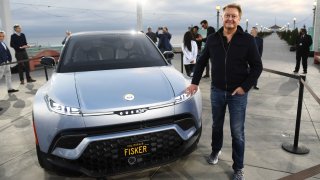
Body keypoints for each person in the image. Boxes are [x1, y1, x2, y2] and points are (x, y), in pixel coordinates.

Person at [185, 4, 262, 180]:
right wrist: (194, 83)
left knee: (237, 132)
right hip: (217, 91)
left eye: (234, 16)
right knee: (216, 125)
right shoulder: (212, 39)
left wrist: (245, 87)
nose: (230, 19)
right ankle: (215, 150)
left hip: (238, 94)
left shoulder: (247, 40)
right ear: (222, 18)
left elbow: (257, 66)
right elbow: (202, 61)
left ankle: (238, 168)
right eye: (227, 15)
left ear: (239, 19)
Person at [0, 31, 19, 95]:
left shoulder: (3, 43)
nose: (2, 37)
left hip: (6, 62)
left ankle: (10, 89)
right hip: (1, 63)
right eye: (0, 36)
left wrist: (9, 59)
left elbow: (7, 52)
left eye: (3, 36)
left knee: (8, 75)